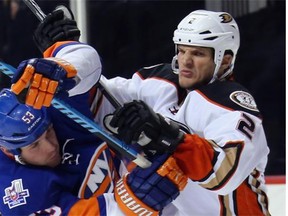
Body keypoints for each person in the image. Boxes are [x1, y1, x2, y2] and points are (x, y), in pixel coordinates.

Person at [1, 8, 188, 215]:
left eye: (48, 132)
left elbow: (88, 63)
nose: (50, 146)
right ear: (11, 151)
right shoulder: (17, 192)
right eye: (35, 145)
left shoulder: (51, 108)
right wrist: (135, 201)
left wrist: (61, 63)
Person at [91, 10, 271, 215]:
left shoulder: (233, 105)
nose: (185, 61)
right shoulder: (157, 82)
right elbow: (98, 94)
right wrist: (69, 52)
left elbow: (224, 173)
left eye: (197, 53)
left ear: (225, 60)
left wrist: (165, 135)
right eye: (182, 50)